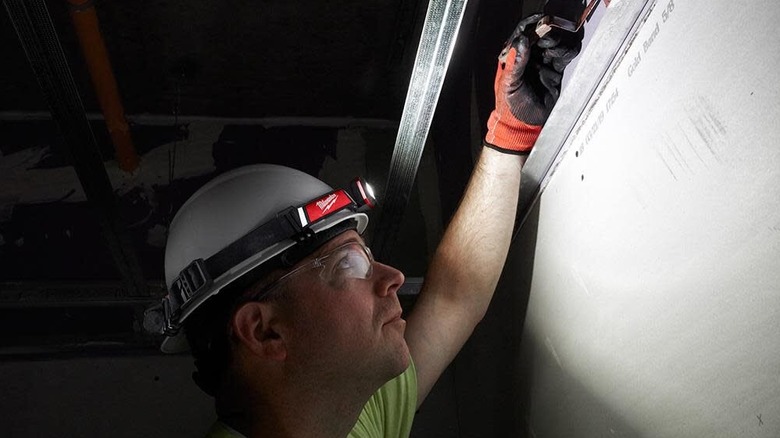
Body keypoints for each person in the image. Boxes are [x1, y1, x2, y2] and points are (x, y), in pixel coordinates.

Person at [155, 13, 582, 438]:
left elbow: (455, 296)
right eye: (347, 265)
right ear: (264, 331)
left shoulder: (349, 413)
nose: (394, 277)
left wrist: (510, 131)